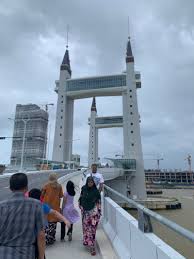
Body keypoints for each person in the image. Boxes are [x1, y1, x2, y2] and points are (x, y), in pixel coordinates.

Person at [0, 173, 45, 259]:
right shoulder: (36, 205)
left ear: (10, 188)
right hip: (26, 253)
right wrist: (41, 257)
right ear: (27, 188)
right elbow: (41, 235)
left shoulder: (1, 206)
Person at [29, 188, 70, 259]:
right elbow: (55, 213)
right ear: (40, 197)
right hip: (38, 239)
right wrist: (65, 220)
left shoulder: (24, 206)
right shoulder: (42, 206)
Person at [79, 176, 101, 256]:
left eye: (91, 182)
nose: (90, 184)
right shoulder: (83, 189)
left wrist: (98, 212)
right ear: (87, 182)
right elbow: (81, 198)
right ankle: (90, 244)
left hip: (93, 214)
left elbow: (98, 202)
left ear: (93, 183)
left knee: (92, 230)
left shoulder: (96, 191)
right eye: (89, 182)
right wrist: (80, 206)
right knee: (86, 229)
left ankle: (91, 245)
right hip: (85, 213)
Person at [41, 173, 63, 245]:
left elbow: (41, 195)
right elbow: (60, 196)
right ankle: (52, 238)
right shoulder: (59, 186)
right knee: (53, 224)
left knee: (46, 223)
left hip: (46, 207)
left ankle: (46, 238)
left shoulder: (46, 186)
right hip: (55, 207)